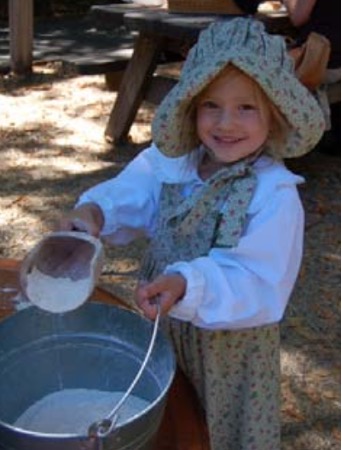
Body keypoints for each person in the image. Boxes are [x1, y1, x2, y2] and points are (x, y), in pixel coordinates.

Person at [59, 18, 325, 450]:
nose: (226, 123)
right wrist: (94, 213)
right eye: (211, 106)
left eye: (246, 108)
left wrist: (188, 284)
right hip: (163, 330)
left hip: (228, 353)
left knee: (216, 431)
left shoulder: (272, 194)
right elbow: (135, 192)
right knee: (168, 421)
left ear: (275, 114)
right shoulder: (175, 165)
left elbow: (259, 282)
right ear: (191, 106)